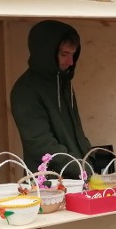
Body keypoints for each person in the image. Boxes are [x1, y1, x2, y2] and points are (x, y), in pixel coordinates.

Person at [10, 20, 93, 179]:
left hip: (77, 177)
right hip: (48, 183)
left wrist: (90, 159)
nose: (71, 62)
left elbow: (77, 133)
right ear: (45, 52)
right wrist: (81, 168)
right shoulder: (25, 90)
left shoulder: (64, 83)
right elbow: (40, 144)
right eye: (64, 54)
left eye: (73, 54)